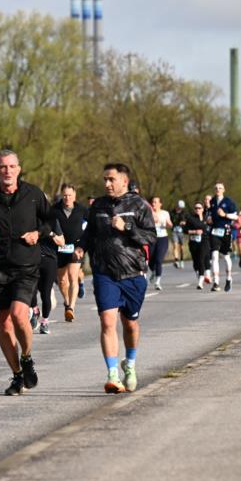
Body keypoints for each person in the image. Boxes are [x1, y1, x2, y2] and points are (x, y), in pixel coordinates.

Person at [0, 150, 53, 396]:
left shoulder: (33, 195)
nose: (7, 171)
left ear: (19, 169)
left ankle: (27, 357)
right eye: (2, 167)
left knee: (19, 315)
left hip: (26, 266)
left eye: (12, 166)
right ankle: (18, 375)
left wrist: (38, 234)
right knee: (4, 325)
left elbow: (51, 222)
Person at [74, 163, 156, 394]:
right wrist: (81, 248)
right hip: (104, 273)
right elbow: (89, 233)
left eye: (111, 179)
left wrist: (127, 227)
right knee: (108, 321)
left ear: (124, 181)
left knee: (130, 323)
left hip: (133, 273)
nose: (107, 184)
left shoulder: (139, 205)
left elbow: (151, 237)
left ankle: (129, 365)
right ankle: (112, 375)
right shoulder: (98, 205)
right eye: (105, 180)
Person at [53, 183, 90, 320]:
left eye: (69, 195)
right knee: (62, 280)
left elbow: (91, 225)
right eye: (65, 195)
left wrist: (84, 243)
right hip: (59, 249)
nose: (67, 198)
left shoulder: (82, 209)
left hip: (76, 248)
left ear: (74, 196)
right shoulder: (54, 210)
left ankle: (71, 307)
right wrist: (53, 235)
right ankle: (67, 302)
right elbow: (47, 225)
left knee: (72, 276)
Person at [29, 208, 65, 334]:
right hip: (33, 260)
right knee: (31, 291)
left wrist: (50, 234)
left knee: (45, 293)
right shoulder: (29, 221)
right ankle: (34, 310)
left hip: (50, 260)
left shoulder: (53, 221)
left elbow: (62, 242)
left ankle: (45, 321)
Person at [205, 183, 237, 292]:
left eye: (220, 188)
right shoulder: (212, 201)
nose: (218, 190)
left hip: (225, 231)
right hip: (214, 231)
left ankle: (228, 278)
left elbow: (236, 216)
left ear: (224, 190)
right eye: (216, 188)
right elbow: (209, 213)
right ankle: (216, 282)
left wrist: (225, 215)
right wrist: (209, 219)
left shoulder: (229, 201)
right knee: (214, 255)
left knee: (226, 256)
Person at [184, 203, 210, 290]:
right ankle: (200, 276)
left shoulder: (207, 218)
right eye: (196, 208)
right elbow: (185, 230)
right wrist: (194, 231)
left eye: (199, 208)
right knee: (196, 262)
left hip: (204, 241)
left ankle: (200, 281)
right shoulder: (191, 219)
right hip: (193, 242)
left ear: (203, 209)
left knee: (201, 259)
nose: (198, 209)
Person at [148, 195, 172, 291]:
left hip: (162, 238)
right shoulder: (148, 213)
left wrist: (168, 224)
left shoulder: (165, 213)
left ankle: (157, 282)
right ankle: (153, 271)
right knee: (149, 259)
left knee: (159, 259)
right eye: (152, 202)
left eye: (155, 202)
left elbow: (170, 224)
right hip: (151, 239)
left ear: (160, 204)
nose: (154, 204)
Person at [170, 200, 187, 269]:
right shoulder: (172, 213)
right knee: (175, 245)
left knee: (181, 247)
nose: (180, 208)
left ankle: (182, 260)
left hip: (181, 232)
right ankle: (176, 260)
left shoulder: (184, 213)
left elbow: (187, 221)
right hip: (174, 231)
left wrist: (184, 223)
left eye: (181, 207)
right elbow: (170, 221)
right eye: (179, 207)